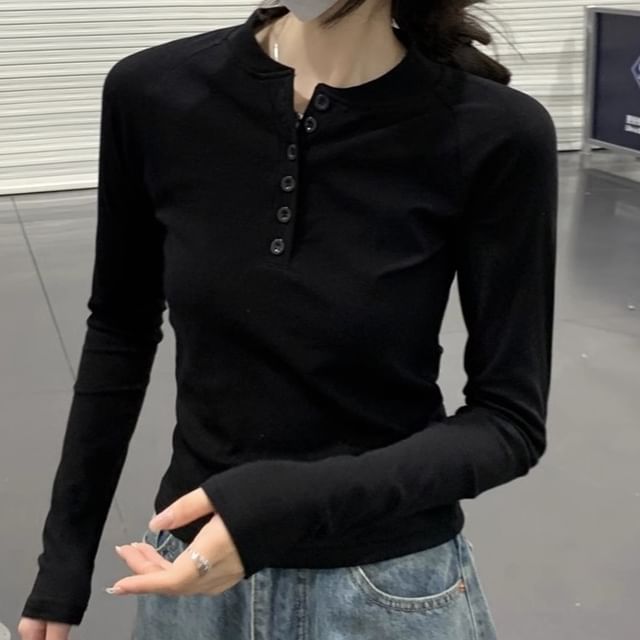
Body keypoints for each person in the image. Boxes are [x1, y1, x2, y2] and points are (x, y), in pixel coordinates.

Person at [18, 0, 558, 638]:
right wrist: (64, 559)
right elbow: (120, 329)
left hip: (388, 588)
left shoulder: (494, 131)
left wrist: (286, 503)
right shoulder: (155, 93)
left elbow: (508, 422)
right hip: (190, 580)